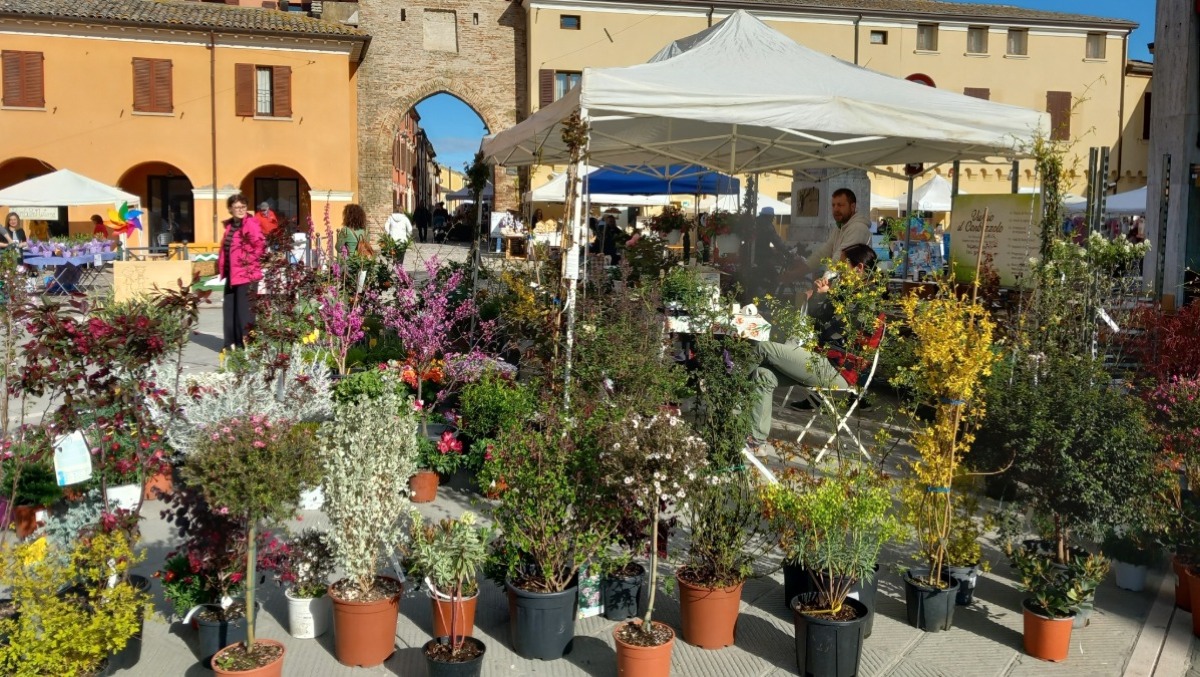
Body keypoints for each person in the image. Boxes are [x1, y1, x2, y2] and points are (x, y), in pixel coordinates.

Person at [748, 243, 879, 453]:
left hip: (839, 370)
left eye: (842, 264)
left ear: (859, 269)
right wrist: (820, 296)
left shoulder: (868, 300)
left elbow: (840, 330)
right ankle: (756, 441)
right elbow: (817, 325)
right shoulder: (846, 294)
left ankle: (728, 399)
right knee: (763, 374)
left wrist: (832, 296)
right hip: (821, 360)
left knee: (764, 349)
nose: (836, 269)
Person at [216, 193, 265, 350]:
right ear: (230, 209)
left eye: (243, 207)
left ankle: (248, 346)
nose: (240, 210)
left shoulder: (250, 224)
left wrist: (249, 262)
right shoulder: (230, 226)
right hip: (232, 275)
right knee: (230, 311)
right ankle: (231, 344)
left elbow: (260, 245)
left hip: (247, 275)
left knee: (245, 314)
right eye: (237, 207)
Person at [803, 188, 873, 273]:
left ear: (852, 207)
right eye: (833, 205)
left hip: (853, 283)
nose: (835, 209)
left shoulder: (858, 228)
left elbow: (840, 258)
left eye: (840, 205)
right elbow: (825, 251)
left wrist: (825, 280)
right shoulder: (840, 227)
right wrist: (804, 267)